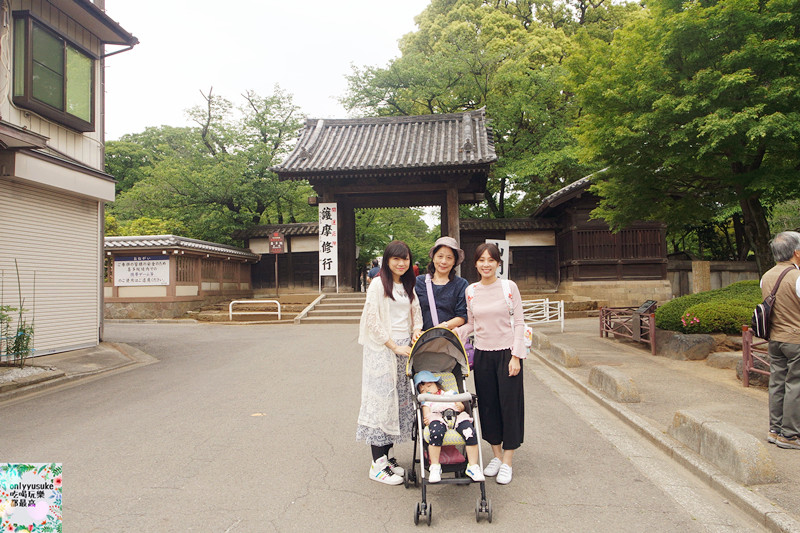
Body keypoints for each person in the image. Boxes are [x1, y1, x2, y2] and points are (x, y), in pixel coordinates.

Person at [456, 242, 525, 484]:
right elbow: (472, 324)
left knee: (509, 406)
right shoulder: (471, 290)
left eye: (491, 260)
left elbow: (519, 323)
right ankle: (496, 455)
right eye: (481, 260)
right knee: (488, 406)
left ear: (498, 263)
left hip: (507, 354)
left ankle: (507, 460)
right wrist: (454, 331)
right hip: (483, 355)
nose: (486, 264)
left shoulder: (509, 287)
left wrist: (517, 356)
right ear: (475, 263)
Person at [357, 241, 423, 484]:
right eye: (396, 259)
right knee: (381, 402)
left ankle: (387, 457)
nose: (401, 263)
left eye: (405, 258)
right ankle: (377, 464)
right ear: (387, 261)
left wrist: (417, 331)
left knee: (398, 403)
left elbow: (415, 313)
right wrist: (393, 346)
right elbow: (372, 319)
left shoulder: (408, 285)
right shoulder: (377, 284)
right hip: (384, 351)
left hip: (405, 350)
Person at [762, 231, 800, 450]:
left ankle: (775, 430)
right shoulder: (796, 277)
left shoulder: (766, 276)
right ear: (796, 252)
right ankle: (790, 435)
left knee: (777, 383)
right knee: (795, 385)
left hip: (775, 338)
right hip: (795, 339)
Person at [414, 370, 485, 483]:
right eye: (423, 390)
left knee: (470, 433)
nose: (427, 390)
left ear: (437, 385)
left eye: (429, 386)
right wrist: (427, 417)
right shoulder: (426, 400)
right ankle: (435, 466)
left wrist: (460, 406)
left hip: (457, 416)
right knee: (436, 433)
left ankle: (472, 466)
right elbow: (426, 413)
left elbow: (461, 406)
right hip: (437, 417)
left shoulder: (450, 393)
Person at [414, 237, 469, 332]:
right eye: (440, 256)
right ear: (433, 258)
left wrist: (442, 327)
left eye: (449, 258)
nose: (444, 261)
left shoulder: (461, 284)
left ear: (454, 261)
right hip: (423, 340)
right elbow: (412, 311)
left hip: (449, 339)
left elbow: (462, 316)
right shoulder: (419, 282)